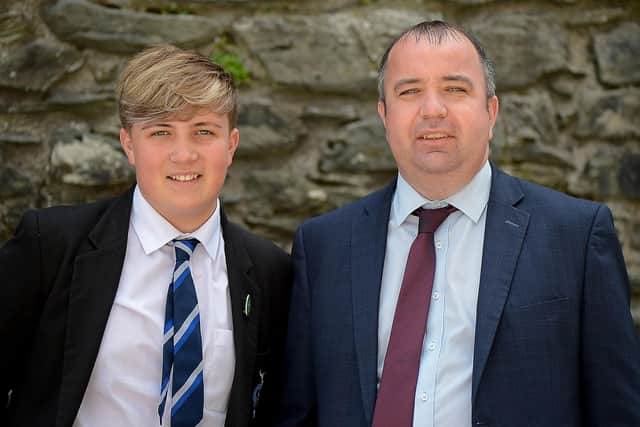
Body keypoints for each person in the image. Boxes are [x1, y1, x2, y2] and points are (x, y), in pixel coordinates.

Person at [276, 20, 640, 427]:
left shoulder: (576, 236)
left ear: (491, 111)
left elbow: (617, 411)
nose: (433, 109)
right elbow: (298, 413)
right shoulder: (324, 245)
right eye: (409, 91)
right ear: (384, 114)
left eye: (455, 89)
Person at [0, 45, 292, 427]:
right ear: (129, 145)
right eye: (161, 132)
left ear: (231, 145)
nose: (184, 155)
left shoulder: (271, 271)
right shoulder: (51, 245)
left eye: (203, 131)